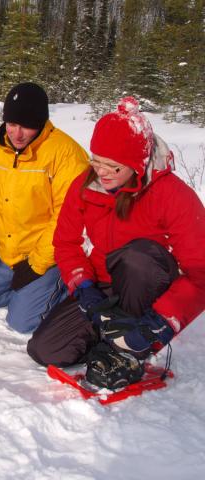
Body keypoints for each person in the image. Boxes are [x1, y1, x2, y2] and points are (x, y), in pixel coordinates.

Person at [27, 97, 205, 389]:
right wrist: (83, 287)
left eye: (113, 166)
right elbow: (66, 243)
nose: (101, 172)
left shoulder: (173, 195)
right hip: (103, 283)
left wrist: (163, 321)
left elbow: (201, 272)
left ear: (136, 165)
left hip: (147, 283)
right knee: (44, 350)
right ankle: (113, 332)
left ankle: (129, 349)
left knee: (138, 257)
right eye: (96, 161)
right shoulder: (85, 184)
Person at [0, 82, 88, 333]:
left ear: (41, 123)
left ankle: (61, 287)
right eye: (12, 124)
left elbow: (68, 218)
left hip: (48, 257)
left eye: (26, 126)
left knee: (21, 322)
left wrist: (36, 265)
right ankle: (25, 297)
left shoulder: (66, 154)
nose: (17, 134)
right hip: (7, 252)